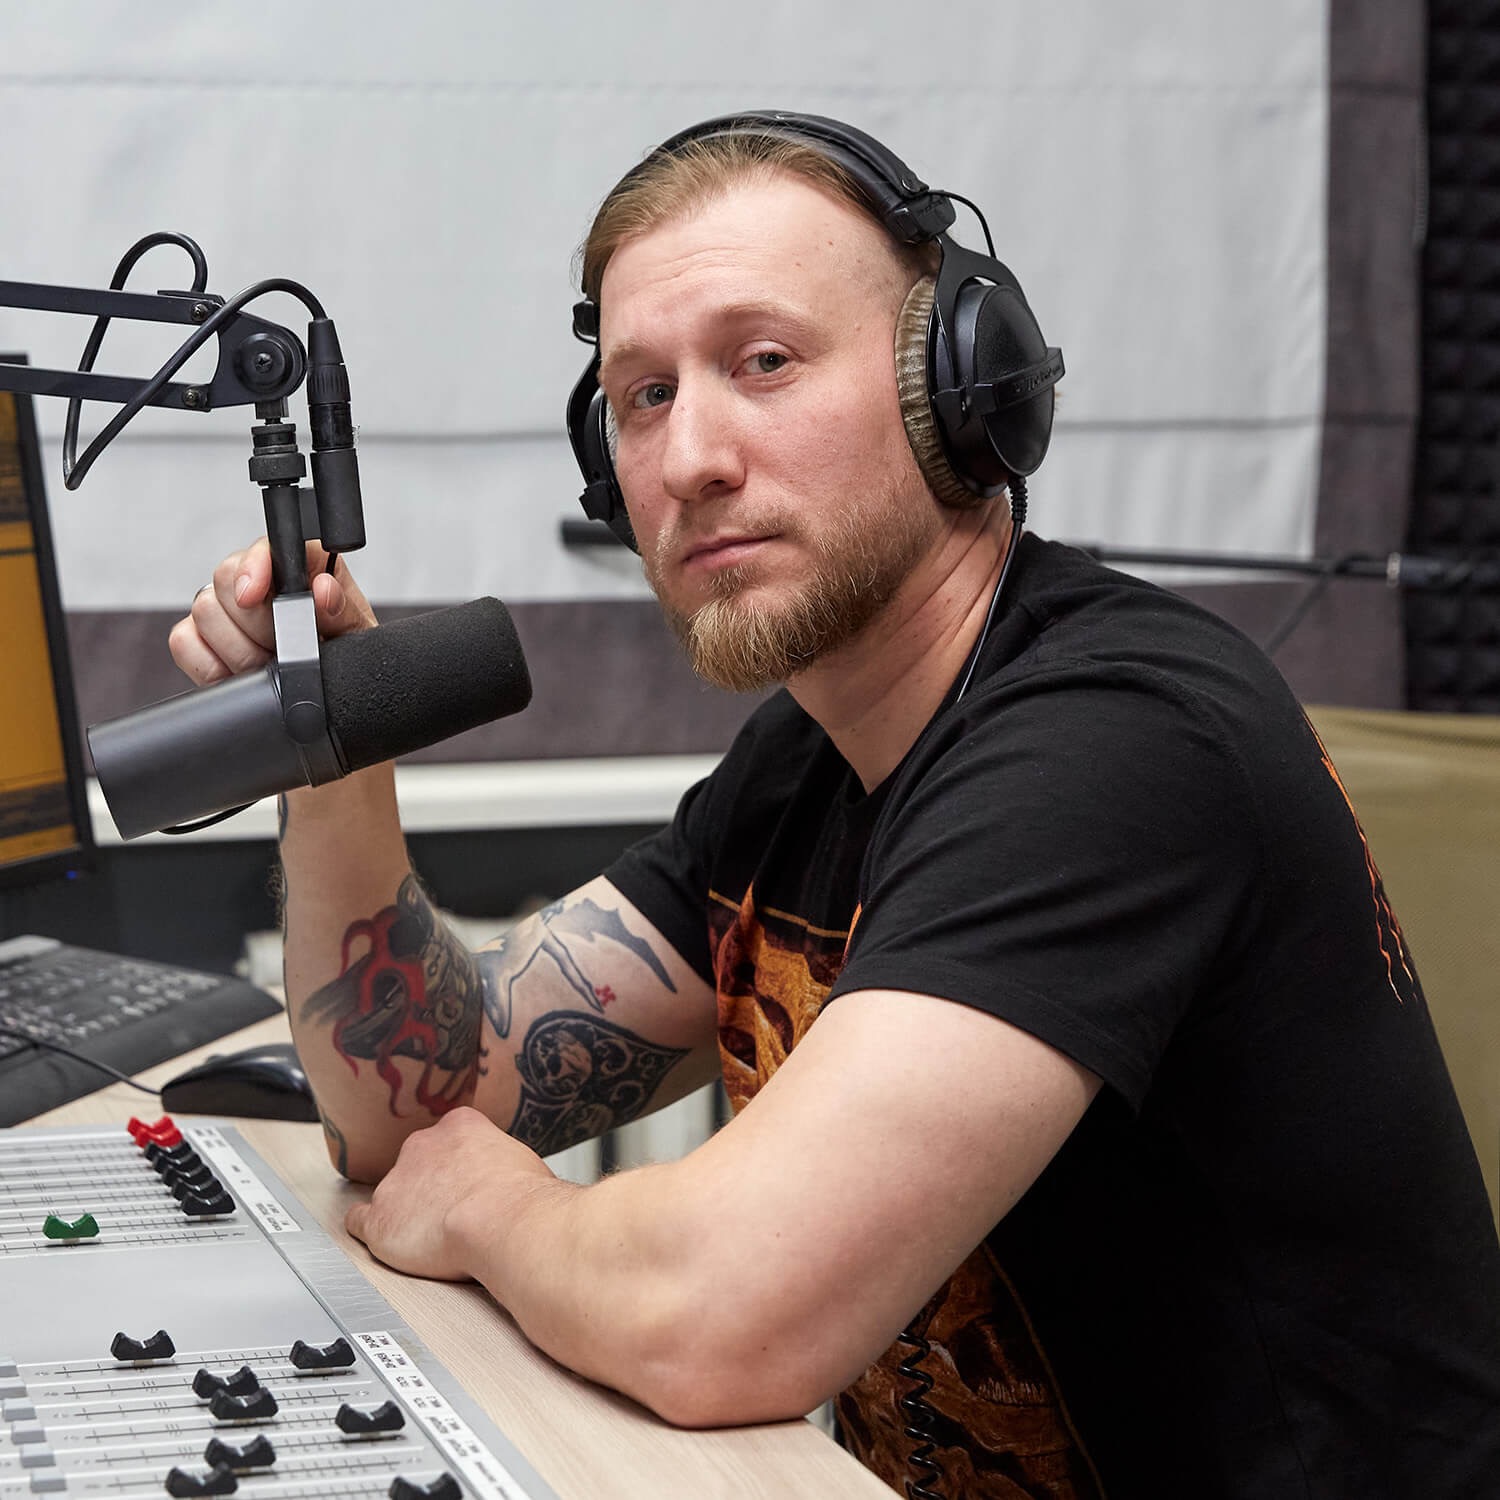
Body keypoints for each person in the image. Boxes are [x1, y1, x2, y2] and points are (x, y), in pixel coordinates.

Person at [169, 112, 1500, 1499]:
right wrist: (332, 750)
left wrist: (493, 1207)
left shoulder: (1121, 740)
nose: (691, 458)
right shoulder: (808, 760)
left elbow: (722, 1312)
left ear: (959, 390)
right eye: (643, 396)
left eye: (764, 362)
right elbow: (420, 1102)